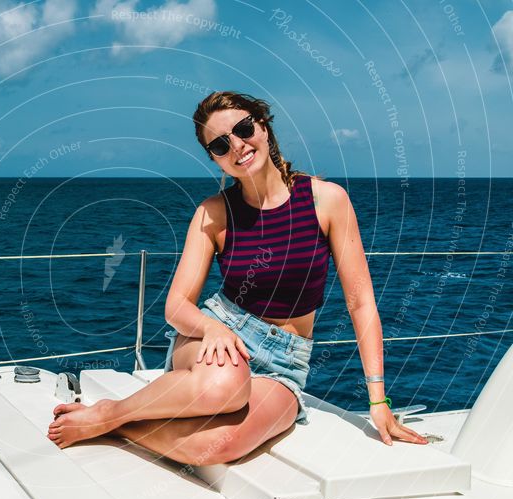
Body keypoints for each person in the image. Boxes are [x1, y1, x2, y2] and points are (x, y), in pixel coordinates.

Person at [47, 91, 427, 465]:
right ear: (215, 159)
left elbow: (360, 302)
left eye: (244, 129)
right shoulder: (214, 213)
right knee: (223, 386)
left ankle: (117, 422)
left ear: (263, 127)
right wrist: (212, 330)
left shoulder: (326, 200)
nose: (237, 146)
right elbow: (176, 306)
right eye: (220, 144)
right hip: (218, 335)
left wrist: (378, 400)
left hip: (287, 361)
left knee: (219, 446)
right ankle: (108, 412)